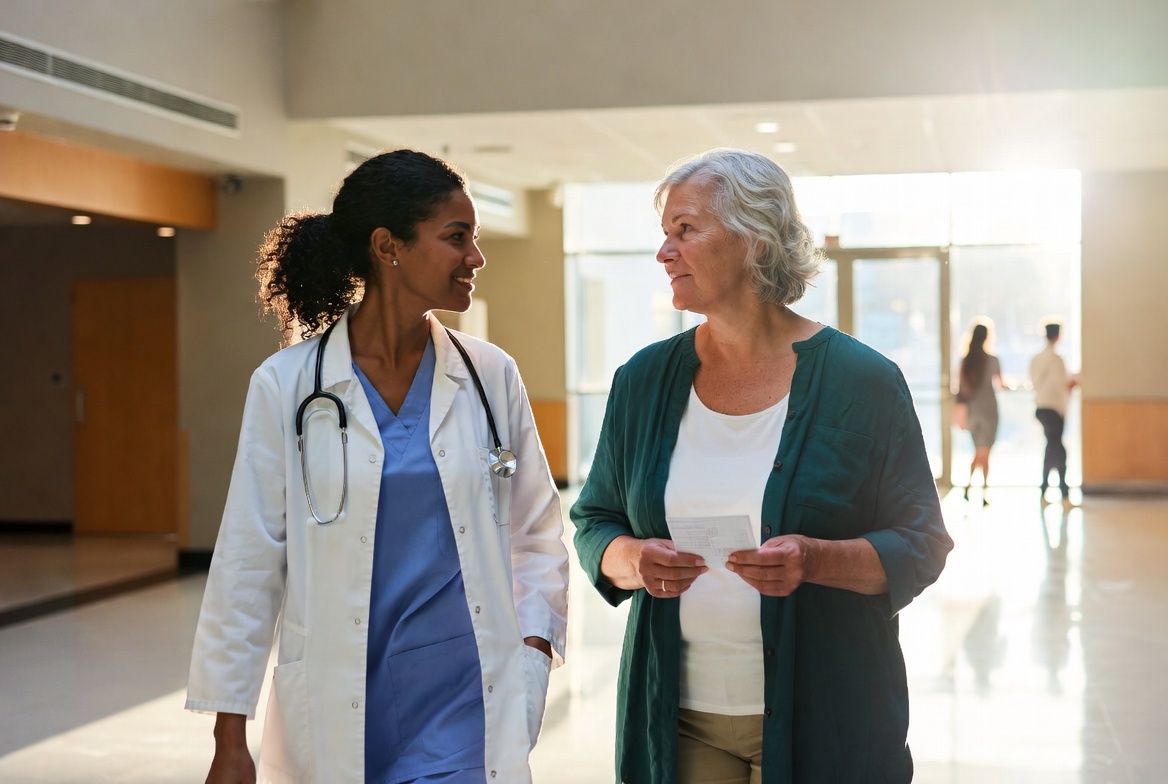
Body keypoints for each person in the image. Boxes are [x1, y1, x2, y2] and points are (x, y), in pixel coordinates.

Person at [185, 149, 569, 784]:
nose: (476, 257)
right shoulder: (288, 385)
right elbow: (248, 560)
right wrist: (230, 736)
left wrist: (531, 652)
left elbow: (537, 531)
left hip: (467, 701)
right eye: (457, 238)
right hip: (342, 702)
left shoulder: (489, 374)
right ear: (388, 246)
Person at [570, 148, 953, 784]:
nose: (665, 252)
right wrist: (632, 560)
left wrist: (816, 560)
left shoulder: (865, 382)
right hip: (677, 714)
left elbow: (922, 543)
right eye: (665, 234)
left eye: (686, 230)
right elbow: (595, 520)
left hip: (827, 713)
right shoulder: (642, 381)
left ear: (756, 241)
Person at [1030, 319, 1078, 507]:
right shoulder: (1056, 360)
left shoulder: (1037, 358)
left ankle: (1046, 492)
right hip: (1053, 409)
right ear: (1059, 335)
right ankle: (1063, 495)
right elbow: (1060, 387)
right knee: (1057, 450)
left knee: (1052, 449)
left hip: (1041, 407)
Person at [956, 320, 1002, 505]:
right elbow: (1000, 383)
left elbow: (961, 389)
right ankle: (982, 493)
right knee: (984, 454)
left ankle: (968, 487)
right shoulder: (993, 360)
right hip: (989, 409)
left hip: (972, 411)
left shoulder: (965, 361)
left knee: (978, 451)